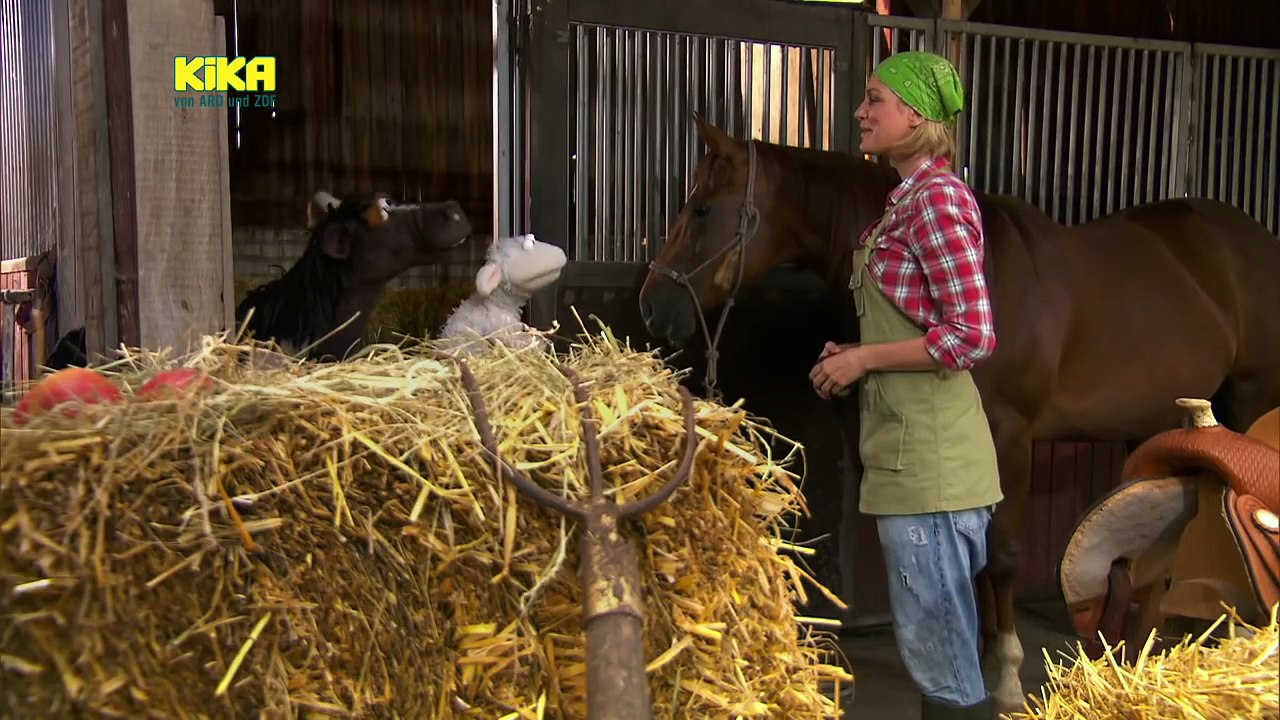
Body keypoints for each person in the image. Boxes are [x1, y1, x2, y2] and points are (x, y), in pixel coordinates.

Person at [808, 51, 1002, 720]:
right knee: (935, 654)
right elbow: (923, 322)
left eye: (875, 100)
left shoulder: (939, 200)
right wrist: (860, 351)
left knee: (943, 661)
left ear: (916, 114)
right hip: (908, 456)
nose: (861, 112)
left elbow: (972, 334)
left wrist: (865, 362)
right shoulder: (906, 201)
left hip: (934, 465)